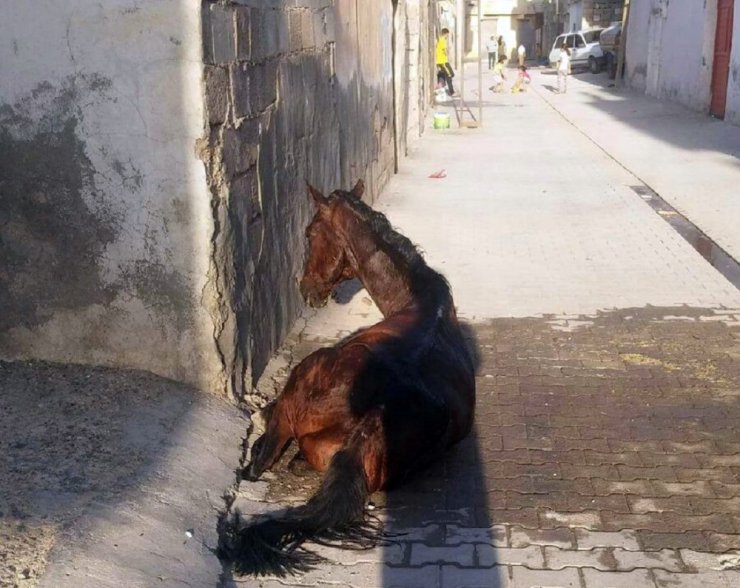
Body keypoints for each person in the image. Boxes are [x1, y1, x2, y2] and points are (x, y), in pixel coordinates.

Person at [436, 28, 455, 96]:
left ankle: (446, 89)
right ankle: (451, 92)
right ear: (445, 34)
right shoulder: (442, 40)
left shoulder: (441, 40)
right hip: (443, 61)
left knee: (448, 75)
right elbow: (445, 50)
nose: (447, 36)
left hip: (442, 61)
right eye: (447, 35)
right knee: (450, 75)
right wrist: (448, 53)